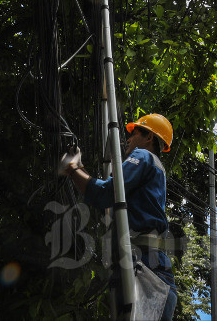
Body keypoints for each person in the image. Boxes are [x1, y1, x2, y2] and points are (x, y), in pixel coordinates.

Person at [61, 114, 177, 320]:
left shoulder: (143, 156)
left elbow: (105, 193)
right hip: (147, 268)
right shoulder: (153, 168)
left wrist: (73, 168)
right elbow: (109, 194)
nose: (128, 139)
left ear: (149, 137)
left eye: (134, 133)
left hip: (147, 269)